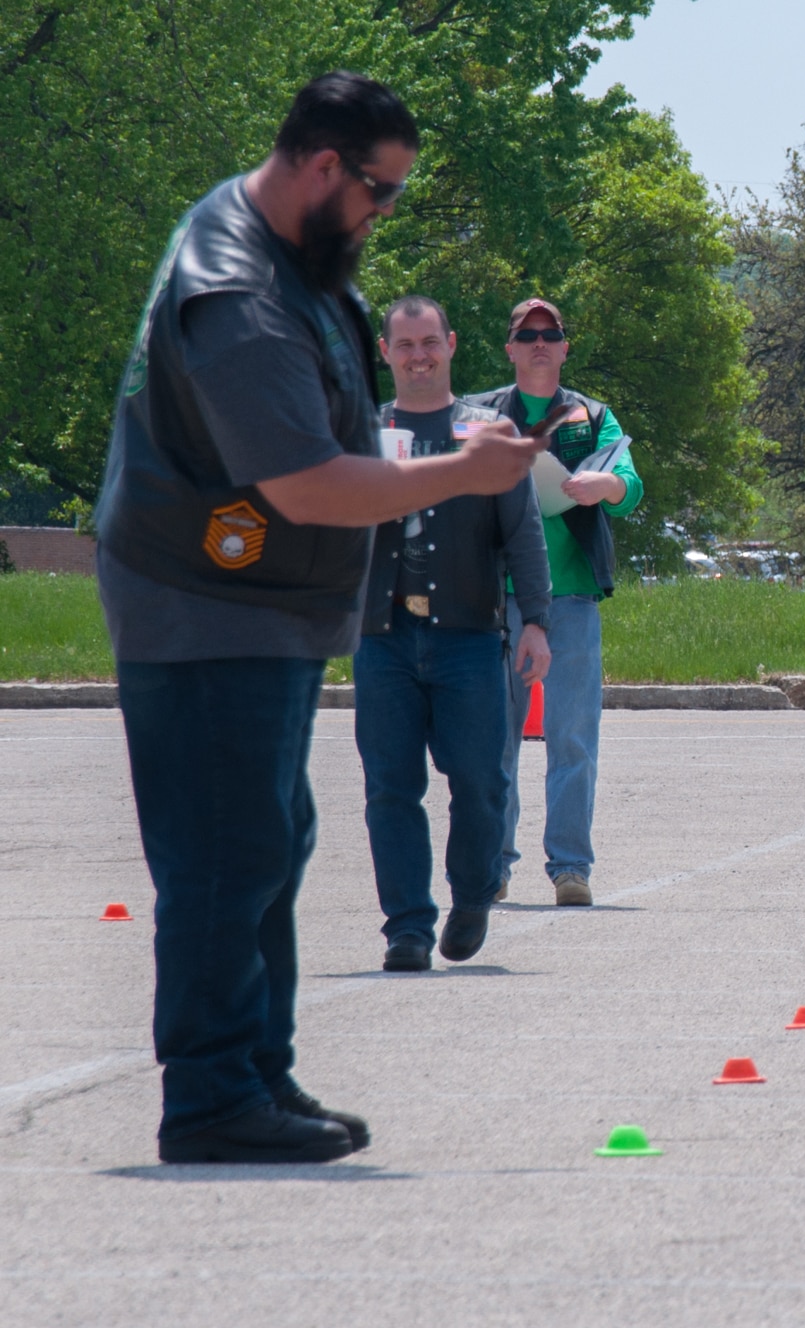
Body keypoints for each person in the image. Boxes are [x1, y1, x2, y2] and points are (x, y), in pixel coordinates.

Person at [95, 73, 545, 1164]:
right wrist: (459, 472)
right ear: (321, 167)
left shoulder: (277, 250)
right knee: (223, 849)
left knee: (266, 837)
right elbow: (304, 484)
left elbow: (333, 434)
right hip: (205, 605)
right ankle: (208, 1097)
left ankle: (255, 1070)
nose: (384, 213)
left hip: (257, 604)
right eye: (378, 192)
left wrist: (443, 459)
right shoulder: (238, 291)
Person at [357, 295, 553, 973]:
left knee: (480, 780)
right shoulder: (362, 432)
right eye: (404, 345)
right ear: (385, 353)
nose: (418, 356)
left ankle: (472, 894)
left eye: (429, 342)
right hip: (382, 640)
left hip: (470, 637)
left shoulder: (487, 432)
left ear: (452, 345)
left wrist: (537, 623)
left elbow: (524, 534)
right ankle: (406, 927)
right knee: (390, 787)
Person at [466, 299, 643, 908]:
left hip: (571, 601)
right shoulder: (479, 414)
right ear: (510, 348)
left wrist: (606, 485)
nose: (540, 343)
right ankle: (493, 865)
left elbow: (630, 487)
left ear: (566, 347)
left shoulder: (594, 417)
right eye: (527, 334)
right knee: (494, 741)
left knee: (572, 738)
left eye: (552, 334)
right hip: (492, 600)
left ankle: (571, 868)